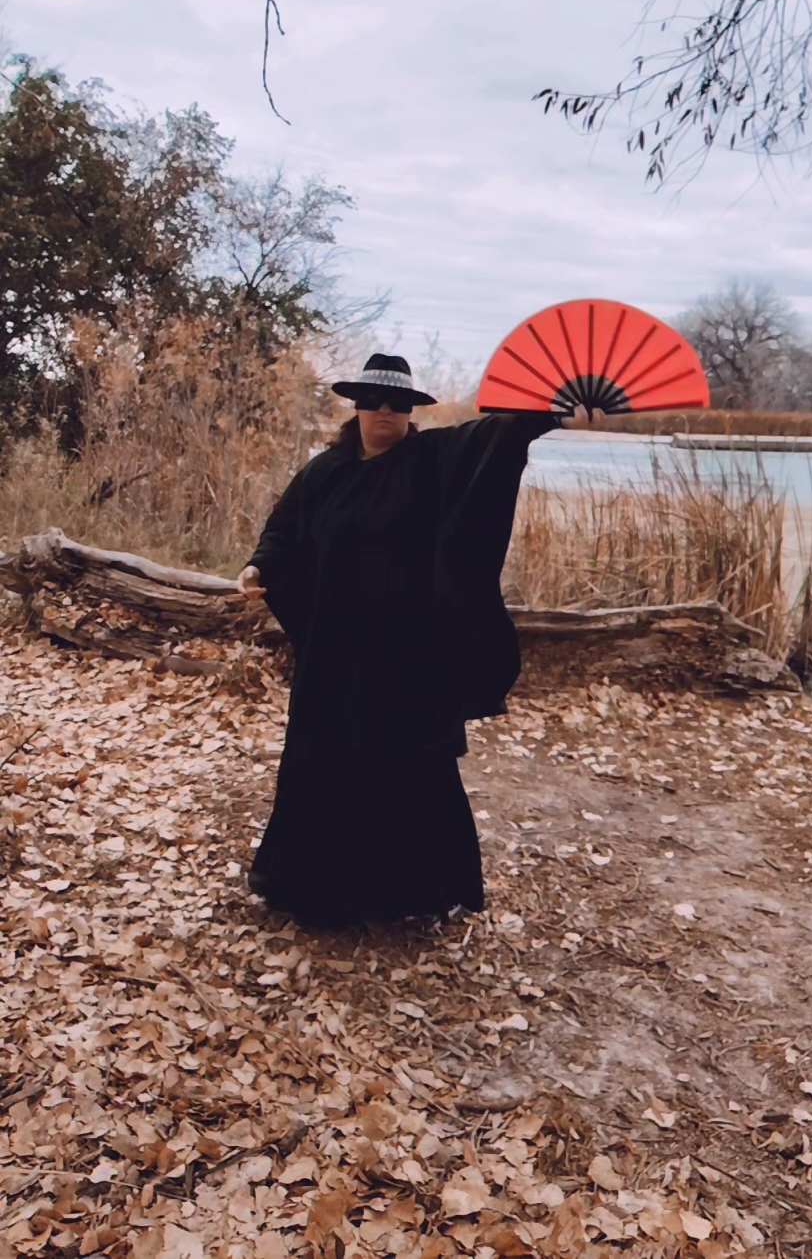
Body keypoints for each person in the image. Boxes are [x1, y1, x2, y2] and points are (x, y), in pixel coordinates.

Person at [238, 352, 591, 926]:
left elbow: (491, 437)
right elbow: (284, 529)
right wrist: (259, 567)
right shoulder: (323, 472)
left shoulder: (430, 461)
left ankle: (403, 895)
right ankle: (314, 890)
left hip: (405, 654)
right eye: (374, 402)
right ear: (355, 408)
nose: (385, 412)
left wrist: (547, 413)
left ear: (410, 411)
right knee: (323, 761)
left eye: (398, 403)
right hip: (332, 650)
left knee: (402, 766)